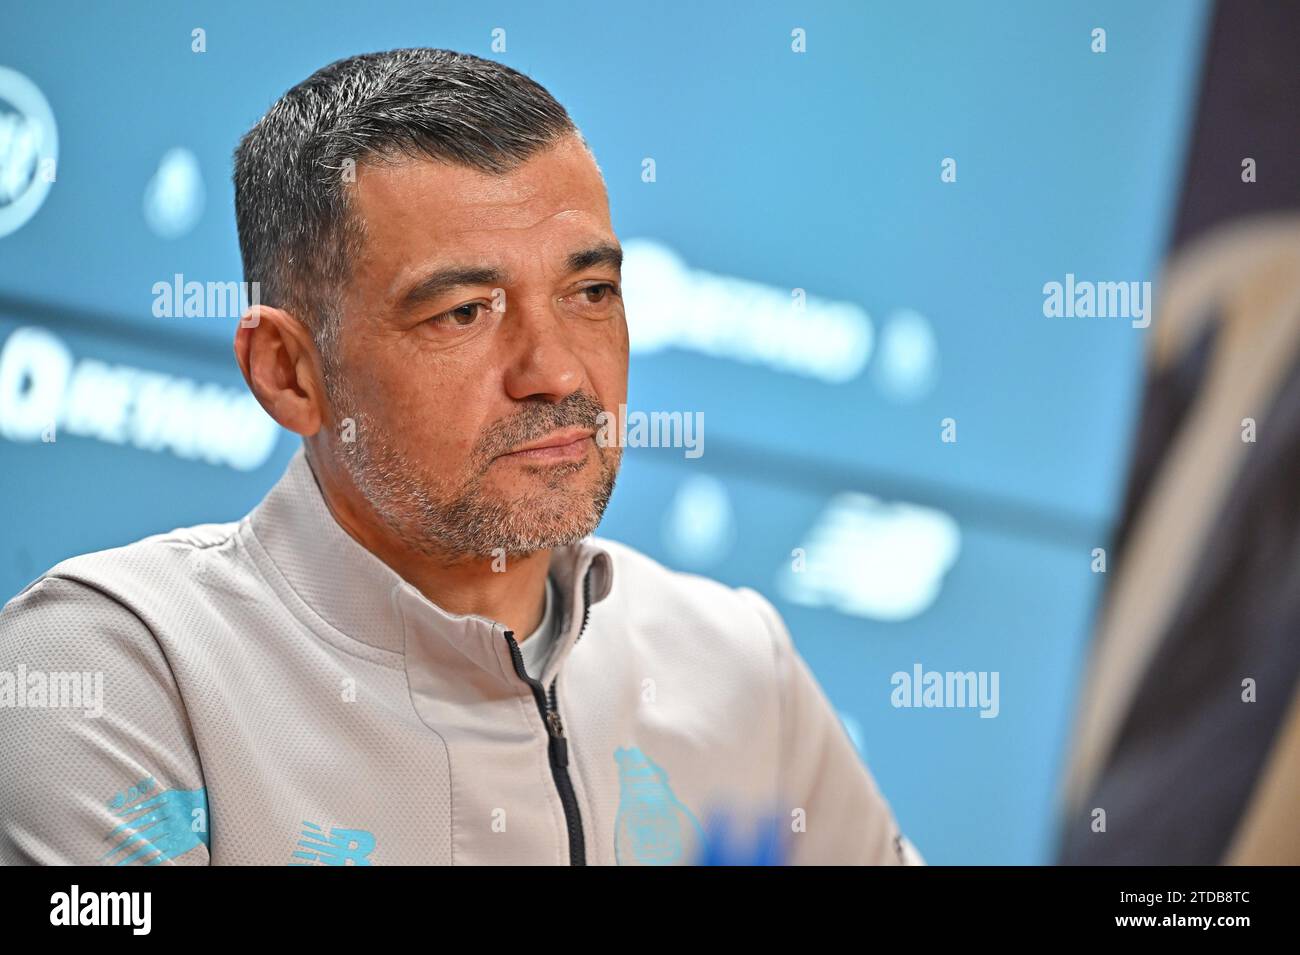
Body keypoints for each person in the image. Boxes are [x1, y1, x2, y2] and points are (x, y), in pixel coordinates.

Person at [0, 48, 917, 866]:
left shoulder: (736, 661)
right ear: (288, 372)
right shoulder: (116, 667)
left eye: (591, 292)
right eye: (464, 311)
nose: (556, 370)